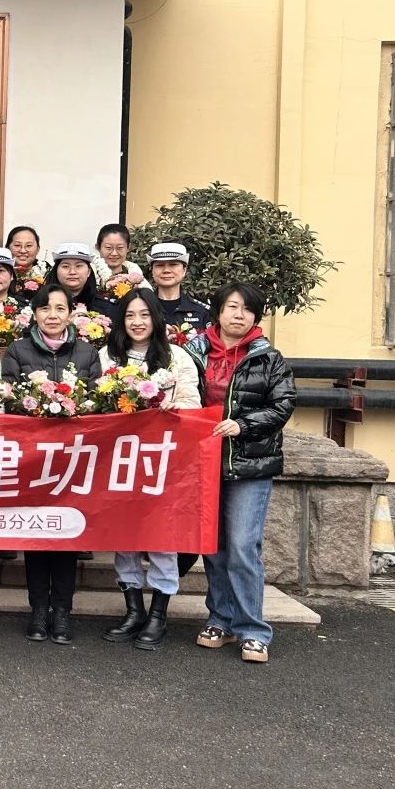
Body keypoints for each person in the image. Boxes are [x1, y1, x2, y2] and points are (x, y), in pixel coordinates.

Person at [185, 282, 295, 664]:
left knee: (243, 547)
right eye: (232, 306)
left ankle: (253, 630)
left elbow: (283, 404)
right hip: (203, 464)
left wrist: (242, 425)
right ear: (218, 311)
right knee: (213, 548)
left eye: (247, 309)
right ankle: (221, 619)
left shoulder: (269, 359)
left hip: (249, 465)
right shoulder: (192, 353)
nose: (239, 314)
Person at [98, 288, 201, 649]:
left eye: (144, 315)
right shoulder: (107, 356)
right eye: (130, 315)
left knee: (161, 536)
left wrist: (176, 409)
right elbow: (94, 404)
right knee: (123, 535)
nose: (137, 322)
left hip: (164, 461)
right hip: (119, 460)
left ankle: (158, 615)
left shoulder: (177, 357)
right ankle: (133, 611)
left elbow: (194, 403)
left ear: (156, 318)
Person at [1, 282, 102, 645]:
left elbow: (98, 398)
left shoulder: (88, 353)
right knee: (37, 534)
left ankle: (62, 611)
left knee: (66, 536)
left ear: (71, 314)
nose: (53, 315)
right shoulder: (18, 349)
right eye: (45, 308)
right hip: (33, 459)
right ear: (35, 314)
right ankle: (38, 611)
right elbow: (8, 396)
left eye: (60, 308)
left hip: (74, 460)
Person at [146, 242, 212, 333]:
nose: (166, 270)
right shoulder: (141, 308)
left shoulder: (201, 311)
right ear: (152, 271)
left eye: (173, 264)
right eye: (160, 265)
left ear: (184, 270)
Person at [51, 241, 117, 319]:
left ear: (89, 271)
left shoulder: (107, 308)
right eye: (65, 266)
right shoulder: (43, 303)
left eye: (78, 266)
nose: (72, 272)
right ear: (56, 270)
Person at [6, 225, 50, 297]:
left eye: (29, 246)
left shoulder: (49, 273)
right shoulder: (0, 274)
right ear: (8, 248)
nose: (23, 251)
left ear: (38, 249)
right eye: (17, 245)